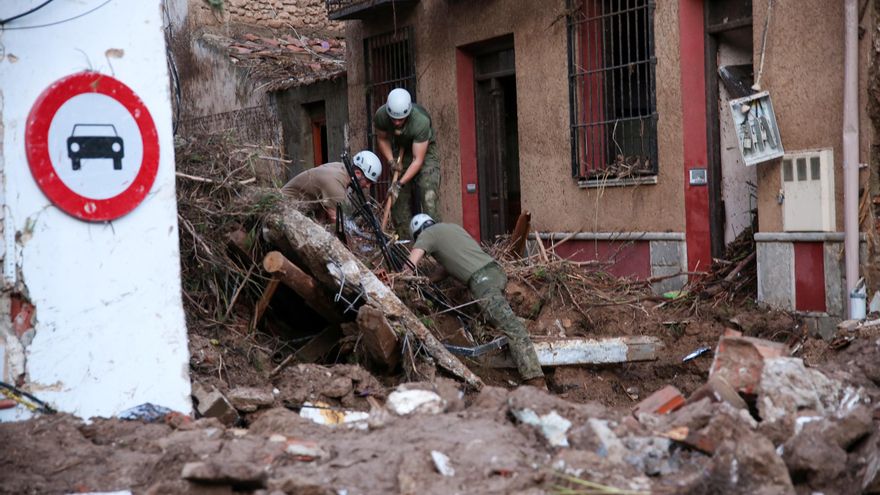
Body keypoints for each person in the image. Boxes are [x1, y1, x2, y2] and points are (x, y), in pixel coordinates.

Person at [405, 214, 546, 387]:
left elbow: (410, 264)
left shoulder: (426, 235)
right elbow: (445, 269)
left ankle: (536, 381)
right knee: (498, 317)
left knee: (511, 327)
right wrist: (427, 281)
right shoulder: (451, 227)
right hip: (495, 272)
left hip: (482, 280)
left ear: (417, 233)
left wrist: (402, 278)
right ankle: (526, 327)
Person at [373, 88, 441, 238]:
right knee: (397, 200)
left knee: (428, 193)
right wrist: (391, 161)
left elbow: (418, 160)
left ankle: (436, 242)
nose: (397, 122)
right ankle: (405, 244)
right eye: (393, 118)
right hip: (401, 152)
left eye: (401, 119)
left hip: (423, 152)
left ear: (408, 113)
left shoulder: (420, 121)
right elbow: (382, 138)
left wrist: (399, 183)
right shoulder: (381, 116)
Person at [281, 150, 381, 223]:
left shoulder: (343, 170)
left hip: (298, 212)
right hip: (283, 211)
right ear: (358, 173)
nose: (368, 186)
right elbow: (337, 223)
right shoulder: (336, 182)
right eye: (368, 181)